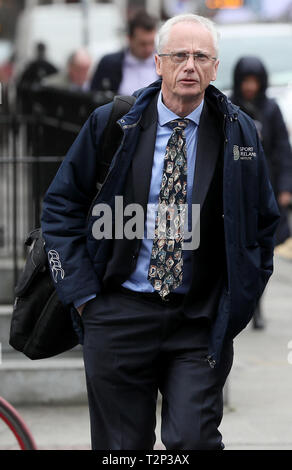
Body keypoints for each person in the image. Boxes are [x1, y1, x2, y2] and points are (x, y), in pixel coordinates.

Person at [41, 14, 280, 450]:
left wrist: (239, 301)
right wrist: (84, 297)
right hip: (117, 312)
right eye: (179, 55)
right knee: (121, 449)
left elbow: (264, 224)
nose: (189, 65)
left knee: (193, 440)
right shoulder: (112, 123)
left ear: (214, 67)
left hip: (198, 320)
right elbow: (60, 207)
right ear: (159, 63)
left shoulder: (238, 131)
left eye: (200, 56)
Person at [231, 56, 292, 328]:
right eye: (246, 81)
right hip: (237, 192)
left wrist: (285, 188)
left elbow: (282, 151)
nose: (250, 87)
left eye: (255, 81)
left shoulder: (271, 110)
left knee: (261, 250)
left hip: (264, 192)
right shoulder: (229, 107)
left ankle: (256, 305)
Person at [90, 10, 159, 96]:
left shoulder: (164, 64)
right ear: (129, 39)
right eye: (142, 44)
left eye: (151, 43)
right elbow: (93, 98)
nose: (148, 49)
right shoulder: (108, 64)